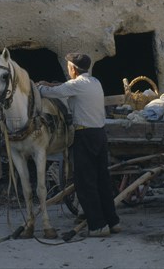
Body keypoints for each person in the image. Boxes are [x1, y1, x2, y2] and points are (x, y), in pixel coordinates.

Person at [37, 53, 120, 237]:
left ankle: (98, 226)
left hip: (85, 136)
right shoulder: (94, 82)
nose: (68, 69)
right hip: (100, 135)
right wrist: (52, 84)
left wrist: (40, 86)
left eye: (68, 66)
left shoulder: (76, 85)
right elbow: (62, 87)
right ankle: (113, 222)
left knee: (85, 182)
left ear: (73, 68)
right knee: (102, 180)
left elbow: (51, 93)